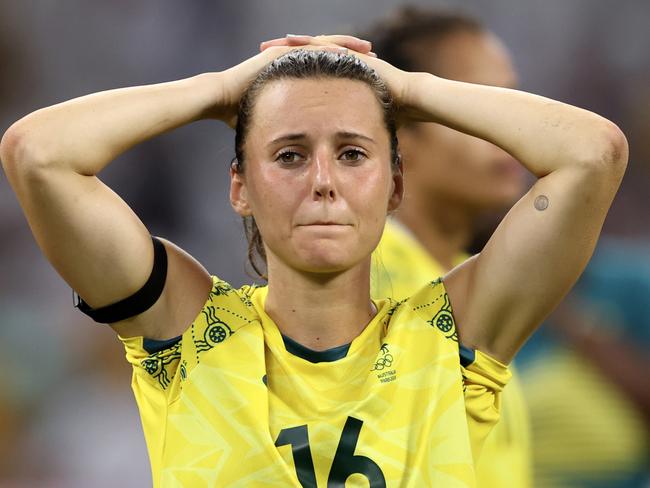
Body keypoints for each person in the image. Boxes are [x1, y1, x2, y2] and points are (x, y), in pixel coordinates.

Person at [0, 33, 627, 486]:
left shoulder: (451, 338)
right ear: (240, 186)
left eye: (353, 154)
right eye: (290, 155)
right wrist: (220, 88)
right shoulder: (186, 331)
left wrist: (405, 88)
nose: (323, 181)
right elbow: (37, 153)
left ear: (396, 186)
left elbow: (594, 154)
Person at [365, 8, 531, 486]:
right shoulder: (367, 286)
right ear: (397, 134)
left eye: (514, 101)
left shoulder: (468, 272)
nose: (509, 128)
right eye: (475, 105)